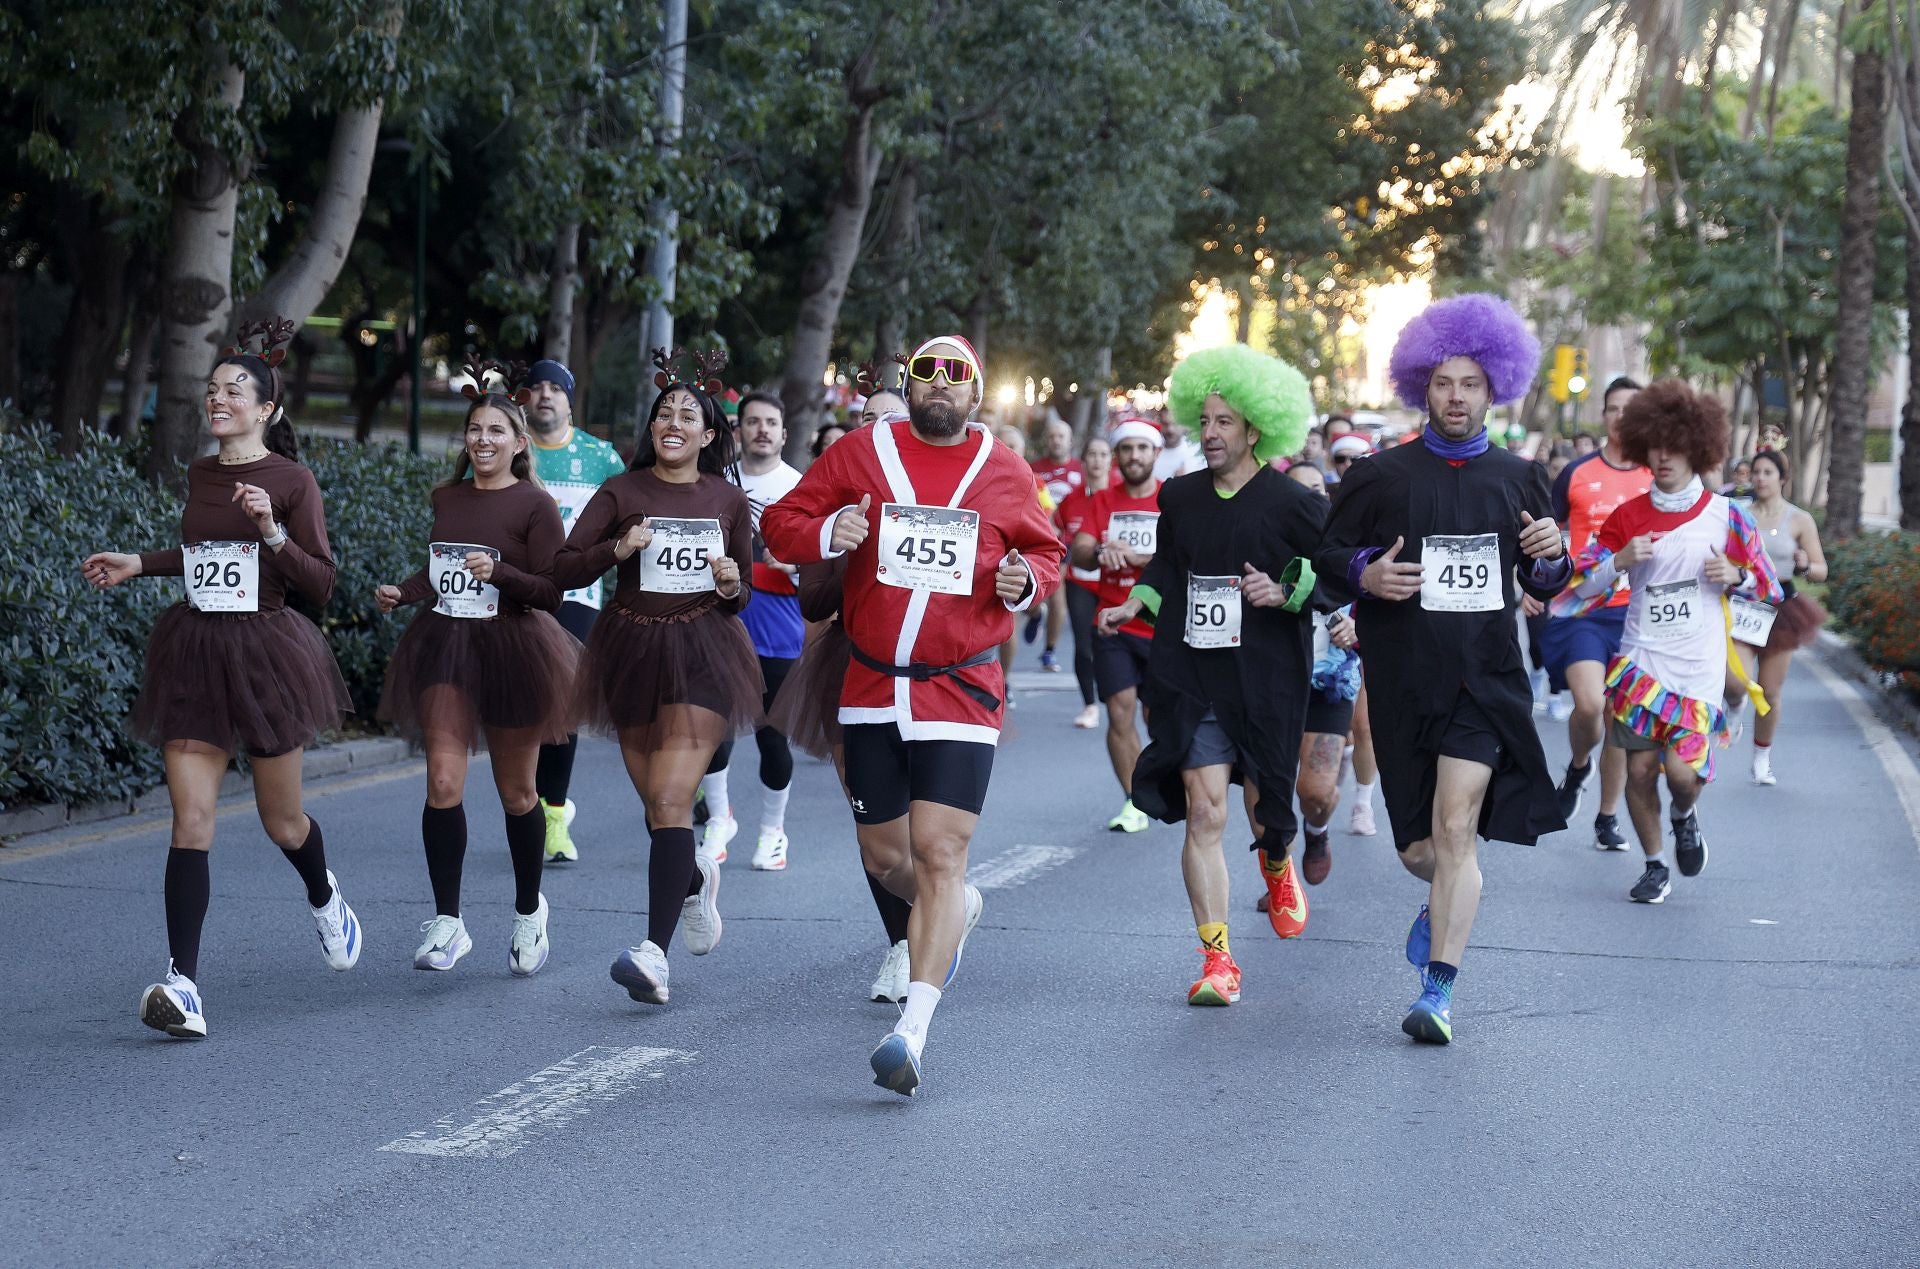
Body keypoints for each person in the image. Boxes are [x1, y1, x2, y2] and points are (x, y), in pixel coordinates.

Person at [762, 333, 1064, 1096]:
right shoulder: (863, 452)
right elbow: (784, 521)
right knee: (885, 858)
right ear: (911, 382)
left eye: (955, 375)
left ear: (976, 391)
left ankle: (912, 1031)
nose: (940, 385)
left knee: (937, 853)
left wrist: (1023, 580)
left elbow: (1046, 553)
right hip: (869, 685)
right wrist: (832, 533)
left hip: (961, 689)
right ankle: (953, 909)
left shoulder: (1004, 467)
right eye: (926, 372)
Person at [83, 319, 359, 1039]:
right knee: (190, 820)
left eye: (235, 390)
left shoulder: (292, 480)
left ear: (267, 409)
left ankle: (325, 894)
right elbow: (202, 554)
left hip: (267, 653)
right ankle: (185, 983)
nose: (219, 398)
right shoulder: (203, 473)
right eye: (212, 389)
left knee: (282, 820)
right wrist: (141, 562)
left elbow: (323, 582)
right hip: (197, 648)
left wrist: (274, 531)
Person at [1316, 293, 1570, 1045]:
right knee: (1421, 849)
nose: (1455, 396)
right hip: (1402, 678)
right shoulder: (1378, 476)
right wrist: (1366, 574)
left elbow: (1543, 577)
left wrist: (1554, 559)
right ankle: (1443, 903)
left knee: (1456, 828)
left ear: (1495, 388)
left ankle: (1439, 990)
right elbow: (1326, 559)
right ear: (1421, 387)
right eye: (1442, 383)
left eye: (1470, 384)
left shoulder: (1521, 478)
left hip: (1485, 679)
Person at [1096, 345, 1323, 1007]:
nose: (1213, 433)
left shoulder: (1291, 502)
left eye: (1226, 422)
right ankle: (1218, 959)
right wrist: (1138, 599)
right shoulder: (1182, 496)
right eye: (1207, 420)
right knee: (1204, 809)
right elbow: (1169, 567)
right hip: (1194, 671)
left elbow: (1327, 572)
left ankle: (1277, 859)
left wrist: (1286, 591)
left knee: (1267, 808)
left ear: (1256, 429)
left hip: (1268, 676)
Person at [550, 349, 760, 1006]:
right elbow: (564, 567)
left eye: (688, 414)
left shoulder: (727, 499)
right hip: (631, 647)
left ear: (706, 433)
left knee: (671, 800)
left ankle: (653, 955)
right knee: (657, 807)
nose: (674, 421)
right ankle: (693, 878)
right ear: (653, 428)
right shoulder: (623, 490)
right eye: (664, 412)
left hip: (704, 649)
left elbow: (742, 590)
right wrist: (619, 548)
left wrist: (730, 582)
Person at [374, 365, 578, 975]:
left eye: (496, 430)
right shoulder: (447, 497)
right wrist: (404, 593)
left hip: (515, 648)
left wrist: (504, 575)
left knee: (518, 793)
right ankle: (448, 922)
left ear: (520, 443)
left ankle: (527, 912)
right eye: (474, 429)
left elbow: (551, 593)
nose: (483, 440)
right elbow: (441, 570)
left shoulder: (536, 506)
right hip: (444, 644)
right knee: (442, 783)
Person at [1553, 381, 1781, 903]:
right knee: (1637, 769)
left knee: (1681, 774)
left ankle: (1684, 814)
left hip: (1699, 668)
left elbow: (1768, 586)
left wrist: (1736, 575)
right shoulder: (1627, 517)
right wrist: (1618, 561)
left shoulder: (1727, 516)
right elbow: (1581, 586)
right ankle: (1655, 865)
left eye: (1674, 447)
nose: (1662, 458)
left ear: (1698, 450)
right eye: (1654, 447)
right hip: (1640, 664)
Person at [696, 389, 806, 871]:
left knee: (770, 736)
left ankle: (773, 831)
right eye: (753, 421)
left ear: (784, 433)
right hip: (722, 625)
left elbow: (822, 567)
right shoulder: (717, 482)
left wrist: (793, 563)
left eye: (771, 423)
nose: (762, 429)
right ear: (738, 430)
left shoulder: (801, 488)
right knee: (712, 730)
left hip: (779, 629)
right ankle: (720, 819)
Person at [1538, 375, 1648, 852]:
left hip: (1639, 614)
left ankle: (1607, 817)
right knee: (1590, 706)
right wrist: (1533, 581)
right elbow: (1544, 530)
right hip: (1583, 607)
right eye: (1613, 408)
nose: (1621, 417)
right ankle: (1578, 766)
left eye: (1631, 408)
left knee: (1620, 718)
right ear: (1602, 415)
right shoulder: (1578, 473)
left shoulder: (1657, 476)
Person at [523, 358, 626, 866]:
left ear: (569, 399)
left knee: (561, 706)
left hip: (577, 598)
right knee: (523, 709)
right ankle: (527, 804)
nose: (545, 395)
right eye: (536, 387)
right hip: (513, 592)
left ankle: (554, 813)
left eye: (555, 388)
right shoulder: (510, 448)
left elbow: (627, 523)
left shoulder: (601, 456)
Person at [1073, 420, 1163, 832]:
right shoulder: (1104, 499)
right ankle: (1134, 801)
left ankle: (1166, 783)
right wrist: (1100, 552)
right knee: (1119, 712)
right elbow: (1081, 551)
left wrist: (1142, 558)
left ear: (1155, 454)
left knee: (1160, 719)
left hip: (1163, 625)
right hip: (1113, 622)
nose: (1134, 456)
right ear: (1117, 456)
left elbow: (1188, 556)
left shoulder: (1172, 499)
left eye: (1142, 448)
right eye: (1126, 449)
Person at [1282, 462, 1360, 887]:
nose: (1309, 498)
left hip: (1329, 683)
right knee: (1269, 794)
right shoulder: (1264, 544)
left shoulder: (1348, 547)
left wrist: (1358, 626)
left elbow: (1383, 599)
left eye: (1316, 489)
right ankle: (1278, 876)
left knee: (1313, 793)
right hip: (1274, 680)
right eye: (1298, 491)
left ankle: (1317, 832)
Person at [1733, 449, 1827, 786]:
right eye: (1756, 472)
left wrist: (1804, 564)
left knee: (1770, 692)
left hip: (1782, 608)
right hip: (1744, 605)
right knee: (1739, 681)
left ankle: (1761, 758)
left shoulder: (1799, 519)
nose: (1759, 478)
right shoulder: (1739, 513)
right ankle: (1732, 710)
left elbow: (1820, 570)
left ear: (1782, 478)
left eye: (1767, 472)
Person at [1055, 434, 1114, 729]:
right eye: (1092, 454)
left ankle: (1116, 694)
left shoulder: (1120, 495)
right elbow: (1056, 534)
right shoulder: (1071, 500)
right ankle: (1090, 705)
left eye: (1104, 454)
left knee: (1113, 641)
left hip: (1116, 584)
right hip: (1080, 581)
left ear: (1110, 461)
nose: (1097, 460)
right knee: (1084, 644)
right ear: (1084, 461)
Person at [1027, 416, 1084, 672]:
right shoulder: (1033, 468)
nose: (1056, 440)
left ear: (1070, 441)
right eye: (1052, 436)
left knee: (1057, 596)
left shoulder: (1080, 470)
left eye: (1061, 436)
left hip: (1065, 543)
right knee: (1034, 594)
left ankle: (1049, 651)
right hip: (1035, 539)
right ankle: (1035, 614)